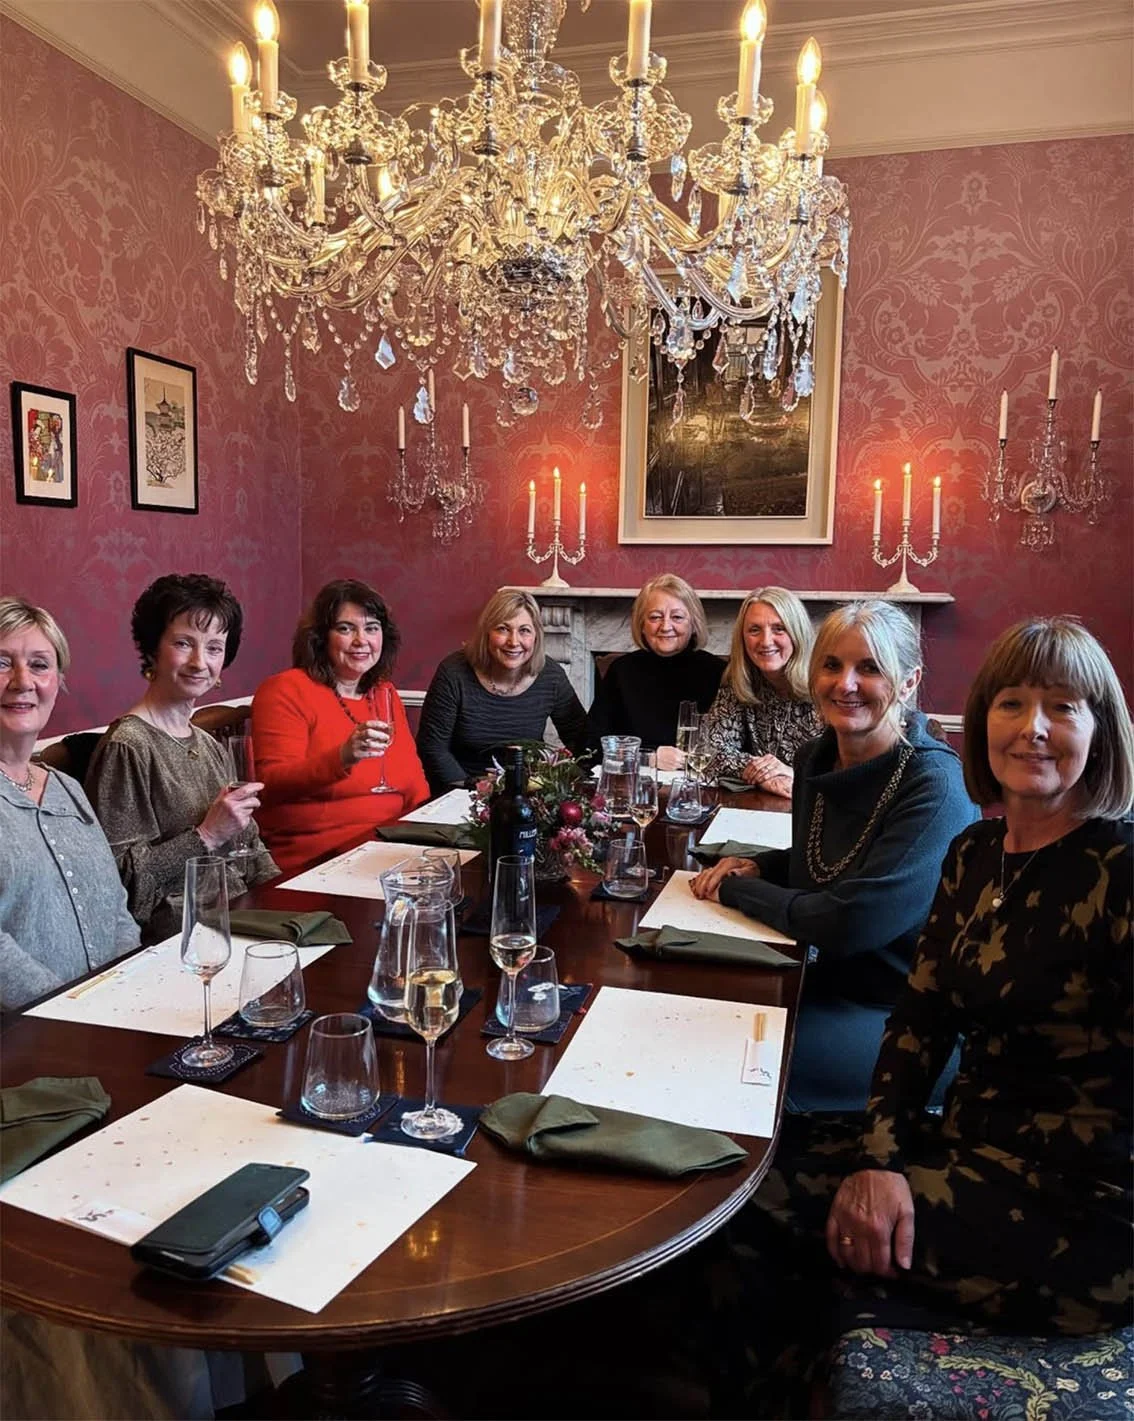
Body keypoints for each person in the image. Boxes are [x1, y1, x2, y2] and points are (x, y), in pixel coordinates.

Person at [720, 617, 1133, 1415]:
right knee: (751, 1169)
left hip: (1081, 1210)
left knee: (762, 1219)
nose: (1033, 728)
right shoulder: (977, 853)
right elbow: (919, 1020)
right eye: (1012, 703)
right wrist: (880, 1158)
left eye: (1063, 706)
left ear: (1101, 728)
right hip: (968, 1141)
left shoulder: (1119, 871)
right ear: (983, 721)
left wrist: (897, 1174)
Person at [692, 599, 978, 1112]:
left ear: (908, 683)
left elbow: (851, 919)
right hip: (823, 980)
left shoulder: (935, 788)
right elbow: (822, 862)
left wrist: (739, 889)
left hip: (907, 1017)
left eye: (869, 668)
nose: (845, 683)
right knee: (696, 1007)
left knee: (727, 1061)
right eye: (832, 665)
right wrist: (762, 864)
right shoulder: (815, 758)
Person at [86, 574, 276, 944]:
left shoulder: (209, 744)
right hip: (181, 937)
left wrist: (288, 900)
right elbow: (120, 885)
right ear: (153, 649)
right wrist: (206, 834)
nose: (199, 661)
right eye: (183, 643)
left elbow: (250, 847)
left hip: (241, 917)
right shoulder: (128, 746)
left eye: (214, 648)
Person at [0, 596, 139, 1009]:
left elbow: (117, 910)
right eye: (2, 662)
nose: (23, 681)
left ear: (57, 680)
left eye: (40, 665)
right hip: (27, 1040)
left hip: (112, 1013)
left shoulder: (67, 788)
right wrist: (71, 1007)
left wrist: (125, 987)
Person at [252, 578, 429, 874]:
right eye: (346, 629)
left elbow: (414, 781)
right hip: (318, 858)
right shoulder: (285, 690)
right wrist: (342, 757)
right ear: (321, 637)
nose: (362, 640)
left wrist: (427, 835)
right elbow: (272, 784)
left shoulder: (384, 692)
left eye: (372, 628)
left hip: (389, 848)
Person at [417, 588, 593, 795]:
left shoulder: (551, 676)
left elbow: (581, 741)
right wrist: (470, 792)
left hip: (527, 793)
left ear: (536, 636)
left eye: (524, 630)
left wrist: (561, 785)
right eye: (503, 629)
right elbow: (433, 748)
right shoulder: (454, 672)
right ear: (487, 633)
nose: (514, 642)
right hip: (461, 792)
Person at [700, 586, 822, 796]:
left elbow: (849, 768)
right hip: (766, 806)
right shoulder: (739, 681)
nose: (766, 641)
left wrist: (794, 773)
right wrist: (764, 773)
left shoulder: (826, 684)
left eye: (779, 628)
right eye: (754, 630)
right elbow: (709, 751)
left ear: (797, 633)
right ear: (743, 638)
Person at [588, 574, 723, 754]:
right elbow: (590, 744)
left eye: (677, 617)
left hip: (697, 778)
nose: (665, 626)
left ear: (694, 623)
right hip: (635, 777)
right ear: (642, 624)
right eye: (655, 617)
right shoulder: (621, 671)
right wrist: (649, 757)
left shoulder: (718, 671)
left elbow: (730, 749)